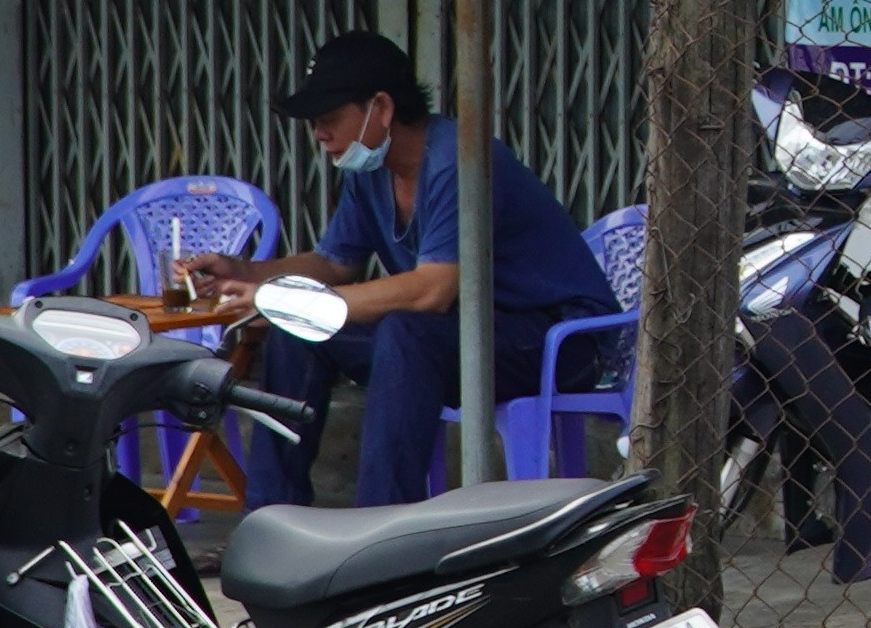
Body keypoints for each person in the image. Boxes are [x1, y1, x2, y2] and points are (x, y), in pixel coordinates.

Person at [179, 28, 620, 506]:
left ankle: (378, 529)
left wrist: (288, 297)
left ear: (382, 109)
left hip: (560, 339)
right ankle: (271, 520)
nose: (319, 135)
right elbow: (333, 263)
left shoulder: (459, 160)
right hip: (464, 334)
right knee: (296, 328)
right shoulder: (370, 170)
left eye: (329, 119)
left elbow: (432, 291)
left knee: (405, 332)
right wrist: (248, 272)